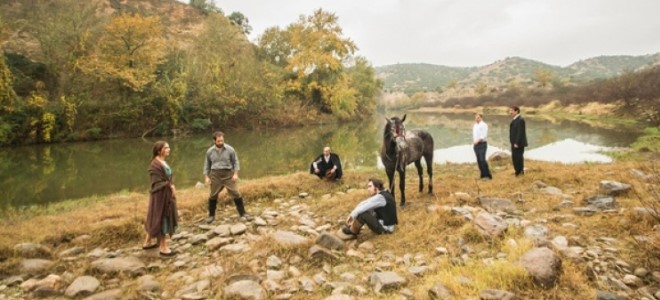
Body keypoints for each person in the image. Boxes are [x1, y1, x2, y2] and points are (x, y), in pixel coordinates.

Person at [144, 141, 178, 256]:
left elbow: (167, 177)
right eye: (166, 148)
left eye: (169, 147)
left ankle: (147, 242)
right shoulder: (155, 165)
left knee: (155, 216)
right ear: (160, 151)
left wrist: (171, 186)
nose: (169, 149)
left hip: (165, 193)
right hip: (160, 196)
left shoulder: (163, 162)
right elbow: (156, 183)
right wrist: (170, 186)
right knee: (162, 216)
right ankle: (163, 247)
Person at [204, 131, 246, 223]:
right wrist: (207, 177)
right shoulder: (210, 151)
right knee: (213, 195)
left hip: (228, 174)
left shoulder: (230, 149)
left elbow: (236, 162)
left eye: (222, 140)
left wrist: (235, 174)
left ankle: (243, 213)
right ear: (214, 141)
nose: (221, 142)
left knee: (236, 193)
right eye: (219, 141)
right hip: (215, 174)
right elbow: (207, 165)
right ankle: (211, 216)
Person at [509, 106, 528, 176]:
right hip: (513, 143)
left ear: (516, 111)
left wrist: (516, 142)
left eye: (512, 111)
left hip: (518, 143)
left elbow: (520, 132)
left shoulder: (520, 120)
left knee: (518, 157)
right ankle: (517, 171)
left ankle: (520, 172)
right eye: (510, 111)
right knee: (514, 157)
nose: (510, 112)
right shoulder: (515, 119)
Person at [473, 113, 492, 180]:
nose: (476, 119)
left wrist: (477, 141)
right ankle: (482, 175)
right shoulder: (475, 125)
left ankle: (487, 176)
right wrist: (474, 142)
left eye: (478, 117)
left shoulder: (484, 125)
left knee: (482, 160)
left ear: (481, 118)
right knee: (478, 160)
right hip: (476, 145)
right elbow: (475, 135)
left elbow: (483, 135)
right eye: (475, 118)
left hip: (482, 144)